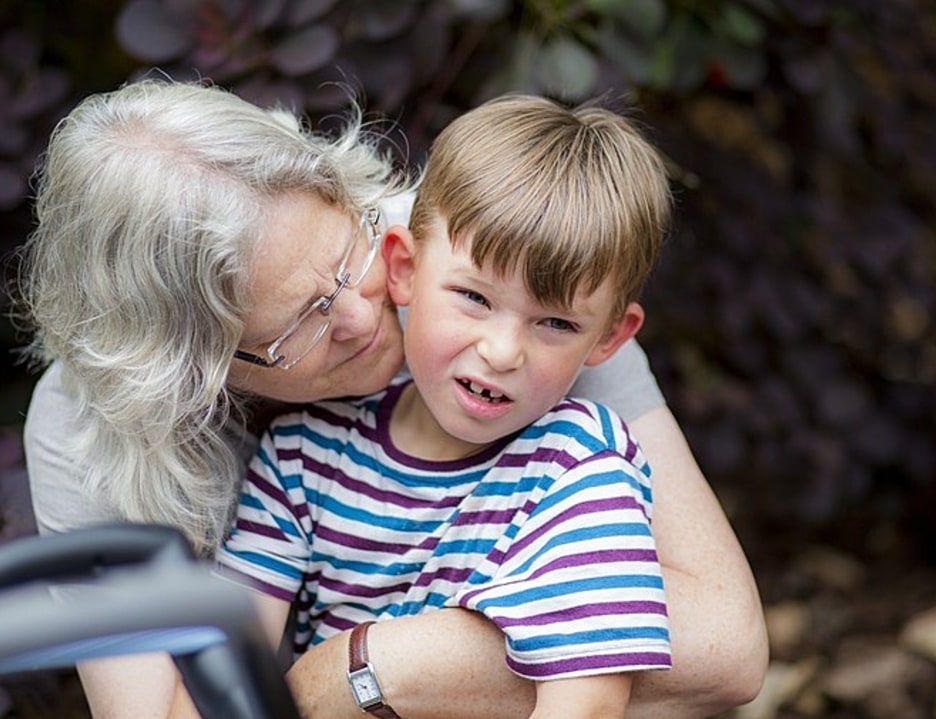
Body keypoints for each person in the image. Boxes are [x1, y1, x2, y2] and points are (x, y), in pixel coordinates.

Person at [17, 78, 767, 719]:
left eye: (349, 257)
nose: (361, 313)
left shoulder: (505, 261)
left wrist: (362, 665)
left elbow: (725, 646)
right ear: (195, 368)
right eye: (303, 320)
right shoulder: (101, 429)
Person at [216, 94, 673, 719]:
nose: (503, 350)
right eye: (474, 298)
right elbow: (223, 677)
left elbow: (585, 704)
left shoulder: (579, 466)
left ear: (609, 339)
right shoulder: (304, 457)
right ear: (403, 268)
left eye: (557, 324)